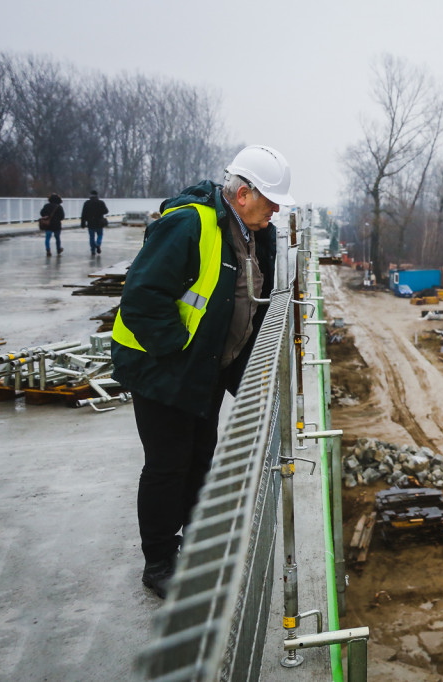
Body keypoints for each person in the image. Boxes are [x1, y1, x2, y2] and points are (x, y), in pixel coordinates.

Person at [111, 145, 293, 598]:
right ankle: (158, 562)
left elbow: (248, 306)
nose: (275, 211)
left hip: (206, 371)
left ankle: (194, 542)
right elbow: (142, 298)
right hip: (163, 370)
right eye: (271, 201)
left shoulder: (255, 235)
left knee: (199, 455)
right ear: (245, 194)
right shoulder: (188, 225)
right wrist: (177, 352)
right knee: (167, 465)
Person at [81, 190, 109, 255]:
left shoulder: (87, 203)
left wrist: (83, 223)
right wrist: (100, 212)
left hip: (90, 223)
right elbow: (106, 211)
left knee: (91, 237)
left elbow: (83, 214)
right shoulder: (101, 202)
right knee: (100, 234)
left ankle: (93, 250)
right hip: (99, 222)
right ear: (97, 195)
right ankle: (98, 243)